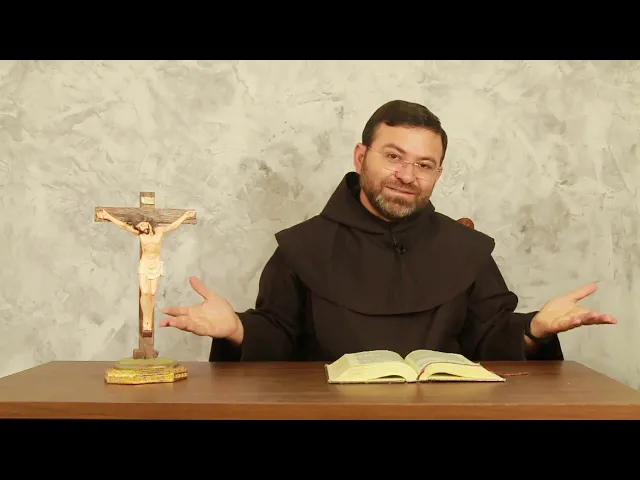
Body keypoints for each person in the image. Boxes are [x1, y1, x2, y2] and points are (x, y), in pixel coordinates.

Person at [160, 100, 617, 362]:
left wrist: (535, 329)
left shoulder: (467, 250)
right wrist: (237, 329)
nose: (407, 175)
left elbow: (491, 337)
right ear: (361, 158)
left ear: (438, 174)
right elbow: (278, 335)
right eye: (393, 157)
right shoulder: (303, 247)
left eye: (424, 164)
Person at [98, 208, 196, 358]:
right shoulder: (139, 234)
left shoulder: (160, 231)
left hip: (156, 265)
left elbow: (173, 225)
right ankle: (147, 321)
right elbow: (123, 226)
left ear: (147, 221)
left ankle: (149, 319)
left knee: (152, 293)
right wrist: (108, 216)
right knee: (144, 292)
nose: (141, 228)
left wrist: (185, 216)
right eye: (139, 227)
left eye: (142, 225)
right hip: (144, 265)